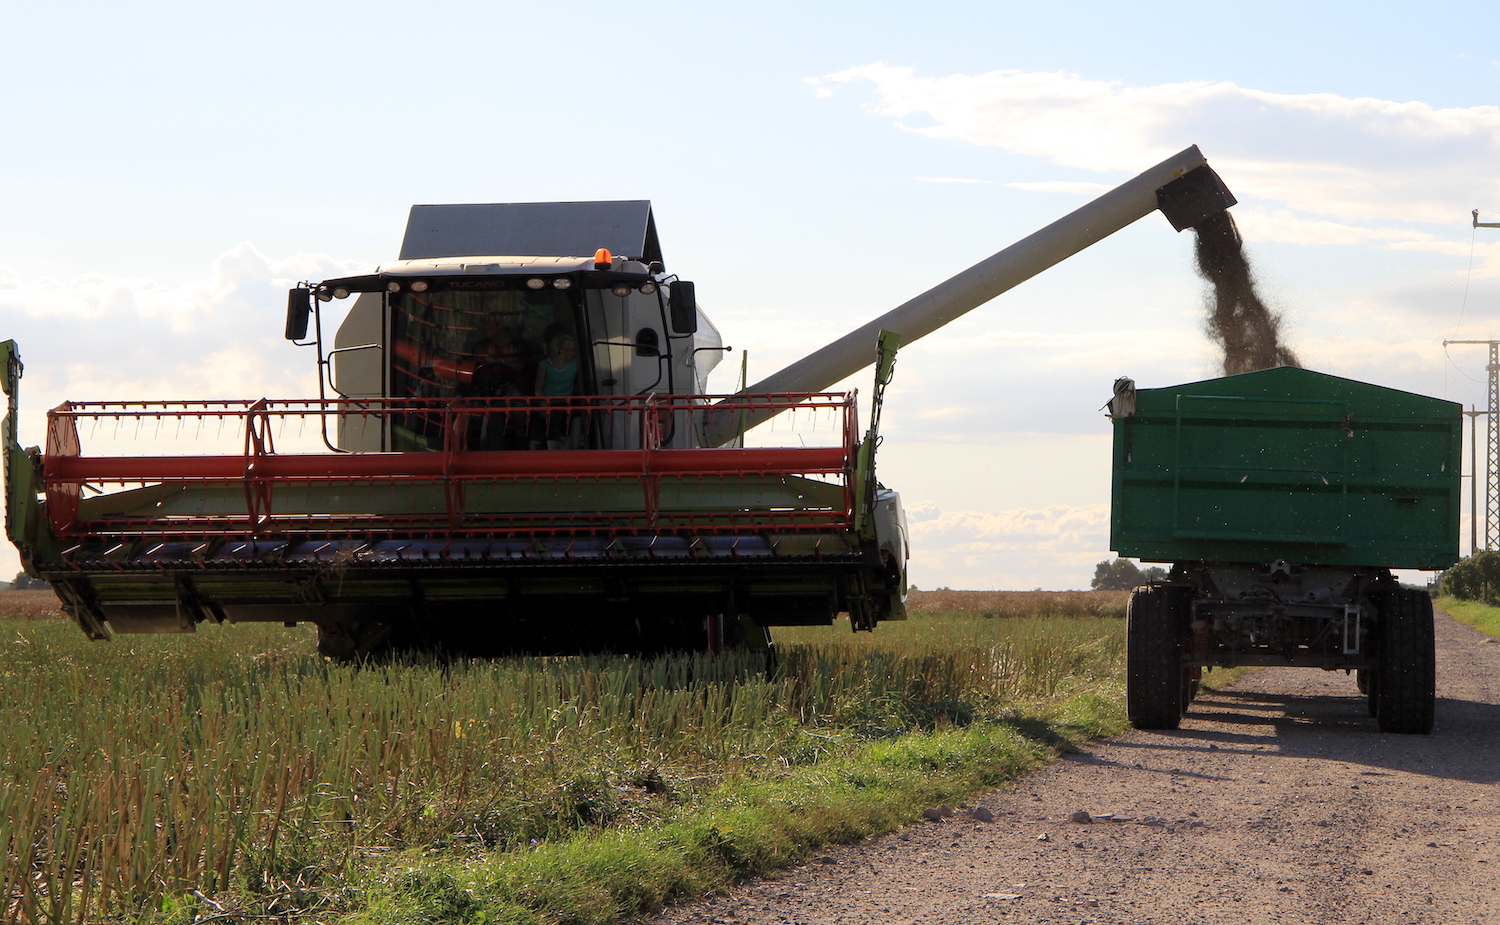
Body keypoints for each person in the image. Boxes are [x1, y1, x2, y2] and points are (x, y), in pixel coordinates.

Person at [533, 333, 581, 449]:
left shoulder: (575, 364)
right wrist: (544, 406)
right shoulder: (545, 365)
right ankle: (553, 452)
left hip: (567, 401)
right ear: (558, 349)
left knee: (578, 416)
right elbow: (538, 388)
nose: (572, 353)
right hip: (550, 402)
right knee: (552, 418)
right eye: (568, 350)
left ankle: (575, 450)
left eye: (573, 350)